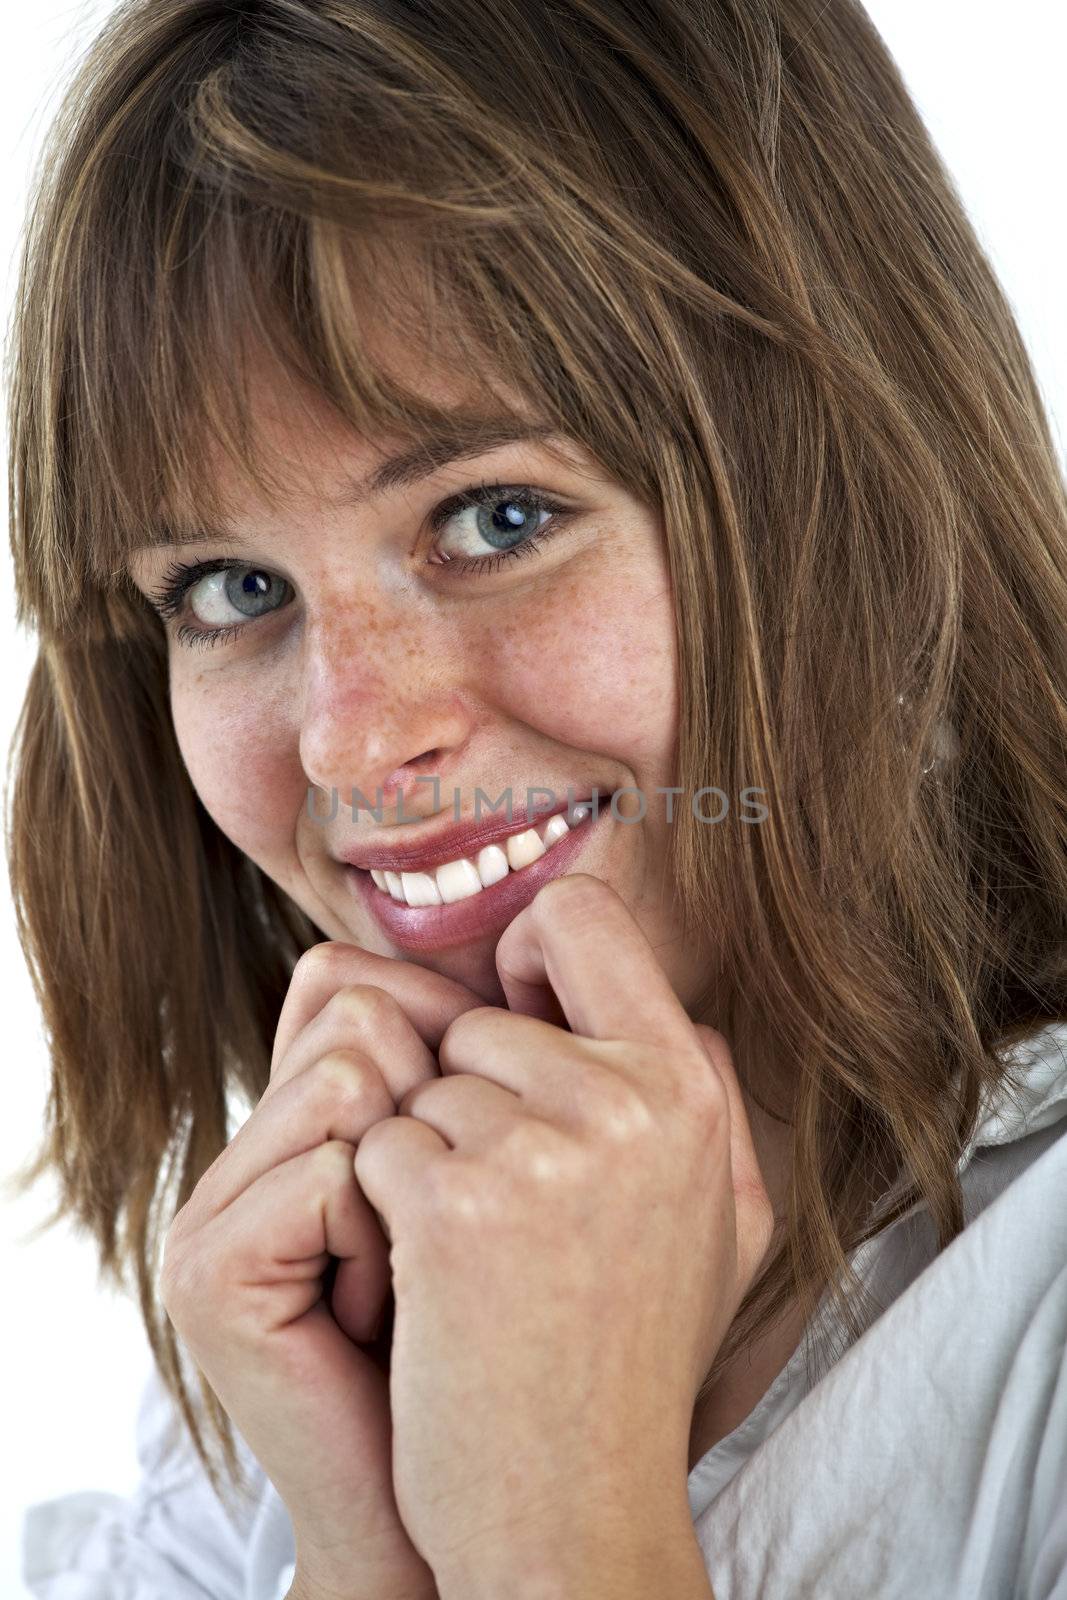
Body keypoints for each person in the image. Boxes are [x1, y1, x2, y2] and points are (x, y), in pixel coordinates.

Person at [6, 0, 1066, 1596]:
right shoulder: (272, 1383)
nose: (352, 747)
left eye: (496, 516)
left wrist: (561, 1537)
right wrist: (368, 1555)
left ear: (855, 481)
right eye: (230, 586)